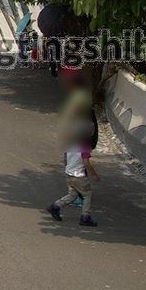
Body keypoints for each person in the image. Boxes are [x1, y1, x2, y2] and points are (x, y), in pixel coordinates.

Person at [47, 74, 100, 226]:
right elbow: (86, 163)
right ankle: (85, 217)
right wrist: (94, 175)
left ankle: (55, 206)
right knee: (88, 194)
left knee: (72, 194)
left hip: (69, 173)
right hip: (78, 176)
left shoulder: (71, 145)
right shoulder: (84, 146)